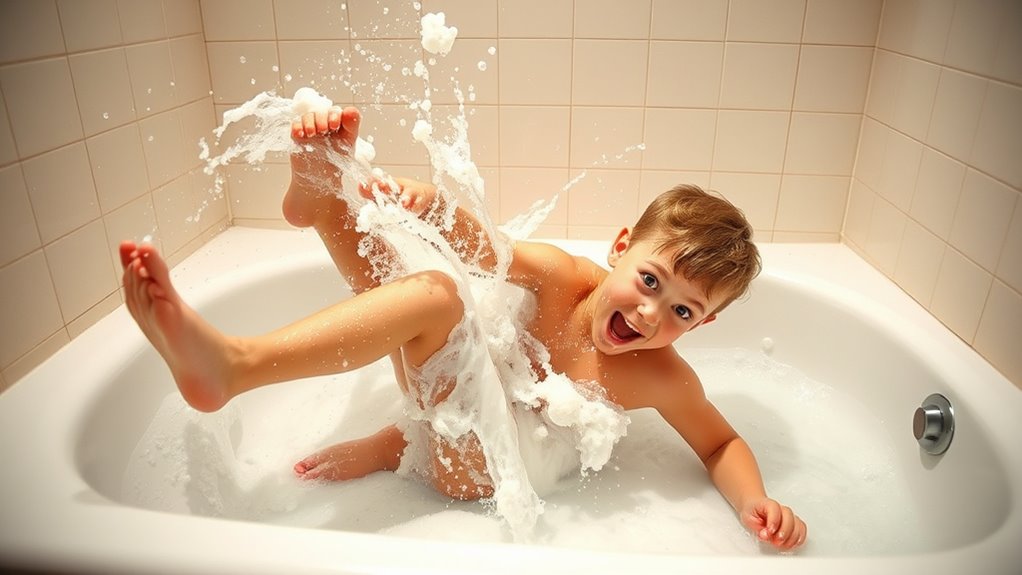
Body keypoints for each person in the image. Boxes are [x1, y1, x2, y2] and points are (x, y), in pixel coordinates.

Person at [119, 105, 807, 551]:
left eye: (683, 310)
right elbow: (490, 247)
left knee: (438, 299)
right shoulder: (566, 277)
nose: (653, 313)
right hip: (450, 421)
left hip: (485, 476)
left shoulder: (662, 375)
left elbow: (719, 442)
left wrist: (758, 499)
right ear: (621, 246)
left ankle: (242, 364)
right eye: (651, 281)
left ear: (705, 322)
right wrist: (437, 210)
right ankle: (325, 197)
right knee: (421, 277)